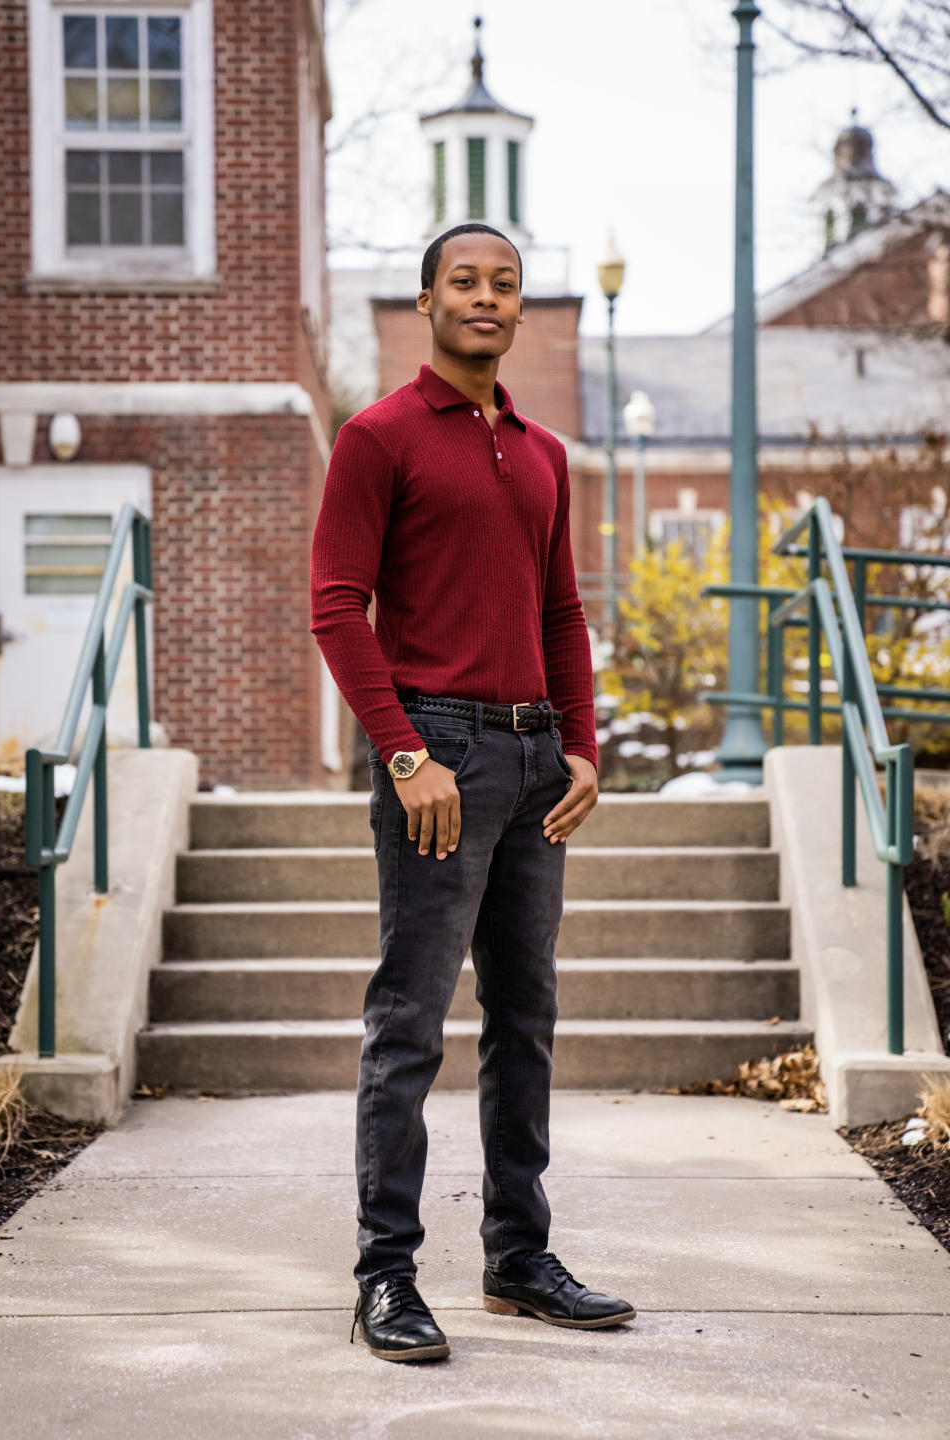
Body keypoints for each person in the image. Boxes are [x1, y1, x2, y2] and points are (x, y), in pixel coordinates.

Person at [309, 221, 636, 1363]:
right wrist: (404, 754)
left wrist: (583, 744)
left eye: (505, 285)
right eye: (465, 281)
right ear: (427, 301)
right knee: (409, 1025)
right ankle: (385, 1278)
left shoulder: (541, 452)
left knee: (526, 1019)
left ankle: (516, 1257)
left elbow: (561, 613)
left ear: (520, 309)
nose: (486, 299)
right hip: (436, 755)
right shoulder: (379, 437)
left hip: (536, 756)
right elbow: (337, 606)